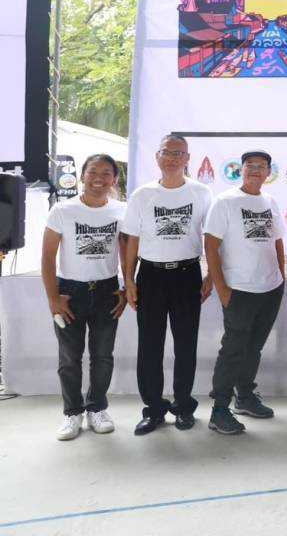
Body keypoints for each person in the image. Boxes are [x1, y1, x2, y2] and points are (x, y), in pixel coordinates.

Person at [121, 134, 213, 435]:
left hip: (187, 275)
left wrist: (211, 275)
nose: (172, 158)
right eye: (167, 152)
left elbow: (212, 238)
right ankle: (154, 410)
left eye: (178, 153)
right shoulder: (142, 195)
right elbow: (132, 240)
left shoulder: (201, 193)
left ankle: (184, 406)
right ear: (157, 156)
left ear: (188, 159)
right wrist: (129, 280)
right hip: (151, 276)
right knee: (150, 345)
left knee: (186, 344)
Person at [42, 154, 127, 441]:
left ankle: (97, 408)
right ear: (82, 175)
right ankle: (72, 413)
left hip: (106, 291)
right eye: (93, 172)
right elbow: (47, 257)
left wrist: (126, 289)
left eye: (106, 173)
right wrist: (54, 298)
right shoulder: (62, 211)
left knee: (102, 356)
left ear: (114, 179)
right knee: (70, 357)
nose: (99, 178)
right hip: (70, 292)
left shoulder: (121, 211)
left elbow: (128, 253)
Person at [203, 150, 286, 435]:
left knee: (253, 348)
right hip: (238, 290)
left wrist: (280, 277)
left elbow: (277, 242)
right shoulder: (225, 202)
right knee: (233, 350)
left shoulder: (270, 202)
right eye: (250, 165)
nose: (255, 170)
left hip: (270, 288)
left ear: (268, 172)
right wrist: (221, 288)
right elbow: (211, 246)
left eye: (261, 166)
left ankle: (245, 397)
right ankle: (219, 409)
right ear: (241, 169)